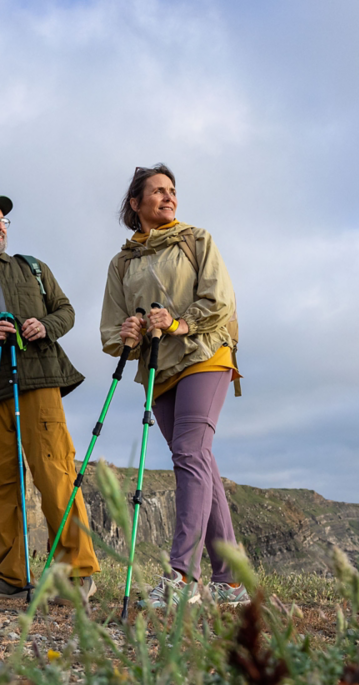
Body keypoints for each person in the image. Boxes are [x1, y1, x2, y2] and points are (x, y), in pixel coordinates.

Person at [99, 165, 248, 607]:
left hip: (205, 354)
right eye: (158, 191)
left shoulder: (196, 240)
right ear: (135, 203)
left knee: (188, 454)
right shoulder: (122, 263)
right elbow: (112, 328)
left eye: (172, 190)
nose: (169, 197)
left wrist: (179, 323)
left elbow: (220, 300)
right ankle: (231, 582)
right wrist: (128, 332)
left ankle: (182, 578)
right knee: (198, 460)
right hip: (158, 368)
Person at [0, 195, 99, 601]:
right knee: (0, 484)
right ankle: (10, 578)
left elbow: (66, 311)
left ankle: (77, 573)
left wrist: (44, 326)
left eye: (4, 221)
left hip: (39, 381)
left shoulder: (34, 269)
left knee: (55, 474)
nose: (0, 226)